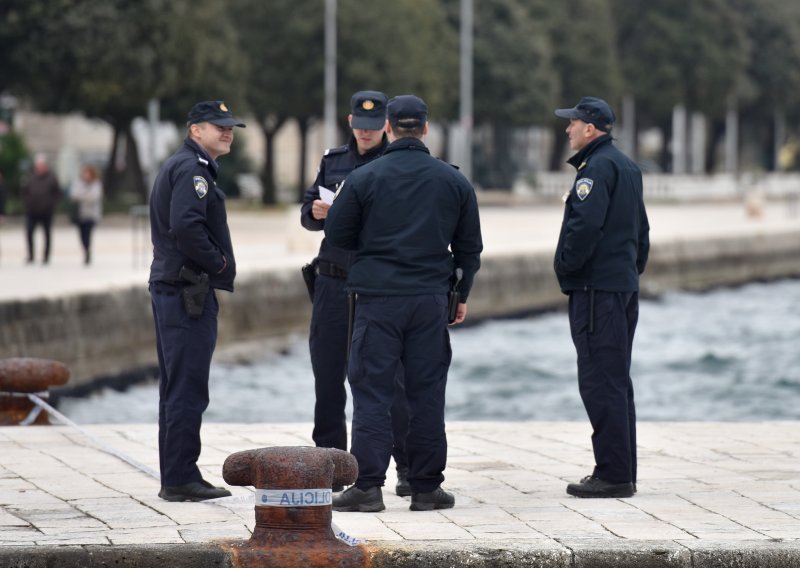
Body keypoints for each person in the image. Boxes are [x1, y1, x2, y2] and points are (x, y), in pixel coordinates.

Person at [325, 95, 483, 512]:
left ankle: (368, 487)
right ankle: (427, 487)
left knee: (373, 391)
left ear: (389, 127)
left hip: (377, 300)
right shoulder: (453, 181)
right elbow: (470, 250)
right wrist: (460, 297)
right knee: (427, 393)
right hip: (430, 301)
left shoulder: (364, 177)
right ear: (426, 129)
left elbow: (337, 236)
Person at [300, 90, 411, 495]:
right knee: (327, 376)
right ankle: (330, 465)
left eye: (373, 127)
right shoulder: (333, 161)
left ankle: (406, 466)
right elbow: (308, 212)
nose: (365, 134)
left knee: (390, 380)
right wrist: (314, 213)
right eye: (359, 127)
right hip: (331, 282)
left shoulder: (392, 163)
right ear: (351, 123)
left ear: (385, 124)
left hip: (376, 285)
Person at [552, 96, 650, 498]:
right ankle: (622, 468)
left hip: (596, 291)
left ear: (590, 129)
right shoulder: (627, 166)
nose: (567, 129)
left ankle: (612, 474)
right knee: (617, 379)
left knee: (599, 381)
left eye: (572, 123)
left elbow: (584, 228)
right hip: (622, 286)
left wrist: (566, 269)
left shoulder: (595, 169)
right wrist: (630, 271)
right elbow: (641, 232)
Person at [149, 100, 244, 502]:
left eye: (230, 127)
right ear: (195, 130)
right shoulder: (192, 170)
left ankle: (176, 474)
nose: (226, 132)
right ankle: (181, 478)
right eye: (216, 126)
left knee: (176, 386)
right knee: (187, 386)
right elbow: (186, 226)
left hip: (175, 286)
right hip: (187, 290)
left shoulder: (187, 166)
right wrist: (219, 261)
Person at [22, 153, 61, 264]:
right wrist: (27, 203)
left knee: (47, 234)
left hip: (46, 211)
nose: (40, 167)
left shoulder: (52, 178)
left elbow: (57, 193)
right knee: (29, 233)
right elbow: (25, 192)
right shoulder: (31, 177)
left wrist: (51, 204)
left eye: (42, 165)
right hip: (32, 211)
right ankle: (31, 255)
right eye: (38, 165)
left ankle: (46, 256)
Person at [69, 164, 103, 265]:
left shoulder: (96, 184)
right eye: (85, 173)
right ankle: (85, 249)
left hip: (91, 215)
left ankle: (87, 251)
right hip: (80, 214)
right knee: (81, 235)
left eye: (88, 174)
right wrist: (85, 196)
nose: (86, 175)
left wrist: (82, 196)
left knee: (88, 234)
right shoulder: (78, 183)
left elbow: (94, 197)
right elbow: (74, 195)